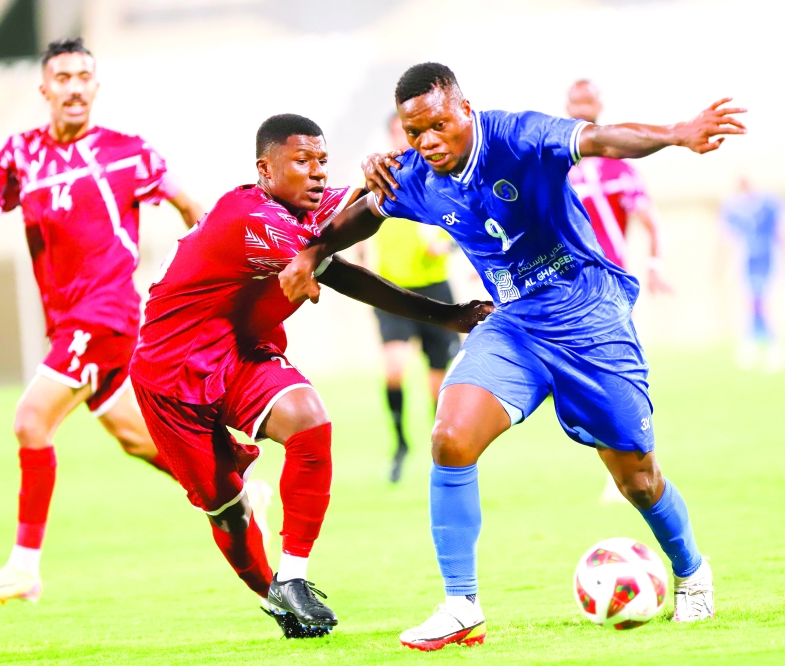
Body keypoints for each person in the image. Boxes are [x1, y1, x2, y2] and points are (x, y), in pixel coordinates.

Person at [280, 62, 746, 650]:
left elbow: (597, 139)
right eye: (413, 131)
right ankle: (460, 605)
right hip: (515, 326)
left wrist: (678, 132)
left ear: (465, 109)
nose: (427, 142)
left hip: (588, 316)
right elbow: (360, 218)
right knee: (450, 436)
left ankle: (690, 569)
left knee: (637, 480)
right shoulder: (418, 173)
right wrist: (314, 248)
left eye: (439, 125)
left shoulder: (516, 136)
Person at [129, 113, 491, 638]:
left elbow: (364, 208)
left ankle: (293, 576)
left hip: (241, 351)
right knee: (228, 509)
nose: (318, 172)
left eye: (322, 161)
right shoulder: (251, 217)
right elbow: (344, 271)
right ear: (265, 169)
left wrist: (402, 167)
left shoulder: (300, 201)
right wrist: (447, 313)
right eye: (303, 162)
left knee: (309, 420)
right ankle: (275, 597)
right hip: (170, 373)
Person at [0, 37, 208, 604]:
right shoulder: (20, 154)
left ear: (96, 86)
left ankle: (23, 566)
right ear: (45, 90)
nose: (74, 86)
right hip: (68, 323)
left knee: (30, 420)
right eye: (62, 77)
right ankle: (234, 489)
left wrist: (194, 278)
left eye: (84, 76)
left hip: (106, 314)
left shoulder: (128, 152)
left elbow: (192, 207)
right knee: (138, 439)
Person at [368, 113, 461, 482]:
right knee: (394, 368)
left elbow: (463, 224)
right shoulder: (379, 176)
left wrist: (446, 244)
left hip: (435, 289)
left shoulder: (441, 173)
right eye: (403, 132)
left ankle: (443, 452)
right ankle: (400, 443)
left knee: (438, 384)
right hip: (392, 290)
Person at [565, 79, 671, 293]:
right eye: (577, 102)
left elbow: (652, 224)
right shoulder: (554, 168)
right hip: (564, 284)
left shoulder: (620, 171)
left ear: (599, 106)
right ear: (567, 107)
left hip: (611, 281)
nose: (582, 108)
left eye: (588, 101)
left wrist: (654, 267)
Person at [720, 177, 785, 372]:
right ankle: (755, 343)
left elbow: (782, 232)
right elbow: (727, 239)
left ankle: (770, 345)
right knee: (752, 301)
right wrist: (720, 265)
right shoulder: (733, 208)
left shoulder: (769, 204)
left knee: (763, 301)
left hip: (768, 259)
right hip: (747, 261)